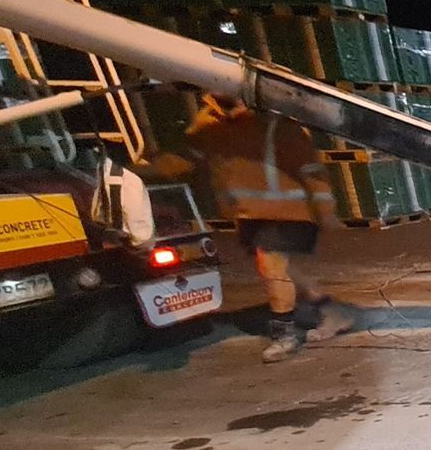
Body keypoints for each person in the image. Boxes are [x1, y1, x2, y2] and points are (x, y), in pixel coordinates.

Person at [145, 93, 350, 362]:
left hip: (288, 210)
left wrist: (325, 210)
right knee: (280, 269)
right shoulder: (209, 122)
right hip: (248, 212)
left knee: (271, 265)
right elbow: (187, 158)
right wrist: (139, 172)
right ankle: (332, 312)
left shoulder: (274, 120)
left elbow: (309, 166)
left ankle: (284, 334)